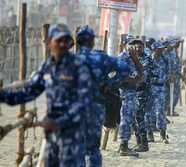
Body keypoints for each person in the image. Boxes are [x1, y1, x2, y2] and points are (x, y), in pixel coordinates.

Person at [0, 24, 93, 167]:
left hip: (72, 134)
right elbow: (30, 92)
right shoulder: (47, 66)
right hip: (51, 135)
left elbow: (84, 103)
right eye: (59, 40)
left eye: (66, 41)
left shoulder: (79, 66)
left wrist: (58, 122)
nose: (62, 44)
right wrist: (4, 96)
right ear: (49, 42)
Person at [76, 25, 131, 167]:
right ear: (93, 41)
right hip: (96, 106)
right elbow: (125, 69)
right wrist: (111, 84)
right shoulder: (101, 58)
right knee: (93, 148)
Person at [118, 35, 144, 157]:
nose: (135, 46)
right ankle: (123, 146)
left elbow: (141, 74)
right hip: (126, 92)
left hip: (132, 92)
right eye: (132, 44)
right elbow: (120, 77)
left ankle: (125, 145)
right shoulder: (122, 58)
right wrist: (132, 80)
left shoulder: (133, 58)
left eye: (136, 44)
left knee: (129, 118)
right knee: (126, 119)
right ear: (125, 45)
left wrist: (135, 58)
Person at [132, 39, 153, 152]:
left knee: (139, 116)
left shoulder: (147, 59)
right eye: (135, 47)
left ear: (143, 48)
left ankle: (144, 143)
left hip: (142, 91)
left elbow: (142, 75)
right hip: (133, 91)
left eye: (139, 47)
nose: (137, 49)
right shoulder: (133, 59)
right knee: (133, 117)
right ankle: (139, 142)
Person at [150, 41, 169, 144]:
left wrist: (167, 78)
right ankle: (150, 134)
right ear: (154, 49)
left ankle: (163, 134)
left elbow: (167, 72)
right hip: (151, 88)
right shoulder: (149, 60)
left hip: (161, 88)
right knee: (149, 112)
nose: (161, 50)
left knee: (161, 111)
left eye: (162, 49)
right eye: (159, 49)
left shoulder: (164, 59)